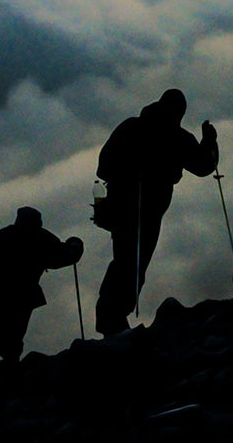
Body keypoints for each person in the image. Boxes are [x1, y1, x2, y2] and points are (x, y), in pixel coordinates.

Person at [93, 89, 218, 337]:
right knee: (135, 261)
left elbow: (103, 166)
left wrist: (127, 173)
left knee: (125, 259)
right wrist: (209, 141)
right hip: (150, 209)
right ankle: (114, 318)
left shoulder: (130, 127)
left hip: (121, 205)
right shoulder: (178, 137)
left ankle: (111, 317)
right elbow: (203, 166)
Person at [0, 208, 82, 366]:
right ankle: (8, 369)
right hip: (24, 295)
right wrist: (75, 243)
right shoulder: (42, 238)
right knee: (14, 337)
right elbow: (64, 256)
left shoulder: (5, 235)